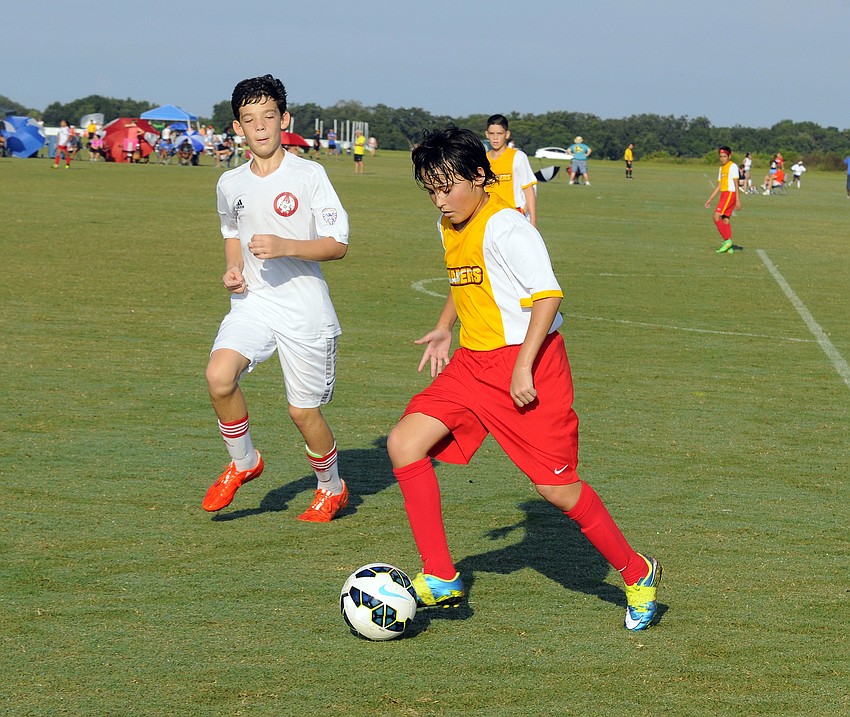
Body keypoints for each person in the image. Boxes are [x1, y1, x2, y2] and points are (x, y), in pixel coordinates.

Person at [386, 126, 661, 631]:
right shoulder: (450, 223)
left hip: (529, 364)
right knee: (404, 443)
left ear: (477, 176)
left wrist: (522, 366)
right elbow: (464, 278)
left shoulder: (508, 227)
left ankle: (637, 572)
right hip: (474, 363)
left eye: (448, 187)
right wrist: (446, 327)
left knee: (556, 490)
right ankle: (441, 576)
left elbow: (549, 296)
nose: (440, 200)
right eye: (431, 190)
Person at [203, 73, 350, 523]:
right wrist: (234, 268)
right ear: (238, 128)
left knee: (302, 411)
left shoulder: (310, 174)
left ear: (284, 119)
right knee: (218, 376)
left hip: (304, 310)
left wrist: (287, 246)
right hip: (254, 303)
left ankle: (332, 487)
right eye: (250, 120)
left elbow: (337, 243)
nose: (261, 127)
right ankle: (244, 461)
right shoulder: (230, 183)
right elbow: (232, 232)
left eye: (269, 117)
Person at [483, 114, 538, 226]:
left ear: (507, 134)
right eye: (492, 134)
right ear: (486, 134)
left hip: (515, 216)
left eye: (499, 134)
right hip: (489, 217)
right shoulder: (482, 160)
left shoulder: (518, 157)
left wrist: (532, 221)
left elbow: (529, 189)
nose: (495, 138)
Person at [704, 146, 741, 253]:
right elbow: (719, 184)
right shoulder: (721, 168)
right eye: (721, 156)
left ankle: (727, 241)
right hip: (724, 193)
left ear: (729, 156)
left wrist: (738, 199)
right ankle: (729, 247)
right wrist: (710, 199)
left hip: (730, 194)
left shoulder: (732, 166)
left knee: (716, 216)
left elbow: (736, 183)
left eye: (725, 156)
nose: (722, 158)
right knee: (725, 218)